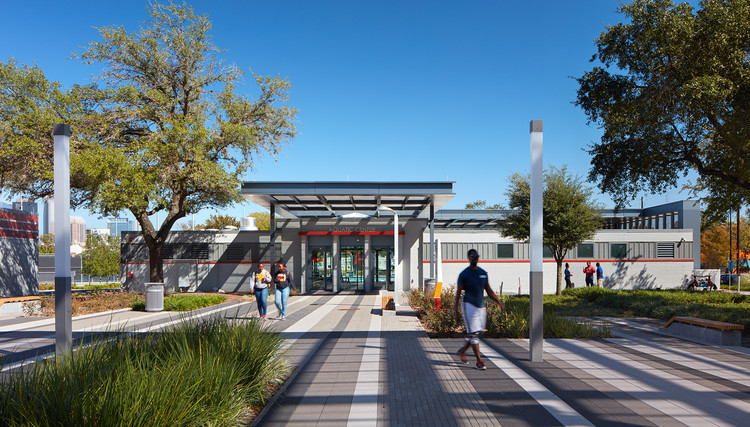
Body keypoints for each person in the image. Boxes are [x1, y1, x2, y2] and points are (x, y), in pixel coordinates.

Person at [454, 248, 504, 371]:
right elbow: (458, 293)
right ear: (468, 258)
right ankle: (479, 361)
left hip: (481, 307)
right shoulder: (464, 274)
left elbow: (488, 290)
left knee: (477, 332)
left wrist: (498, 301)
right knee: (474, 335)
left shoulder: (483, 273)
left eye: (476, 256)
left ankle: (462, 351)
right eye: (472, 256)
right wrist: (456, 310)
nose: (475, 258)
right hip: (469, 306)